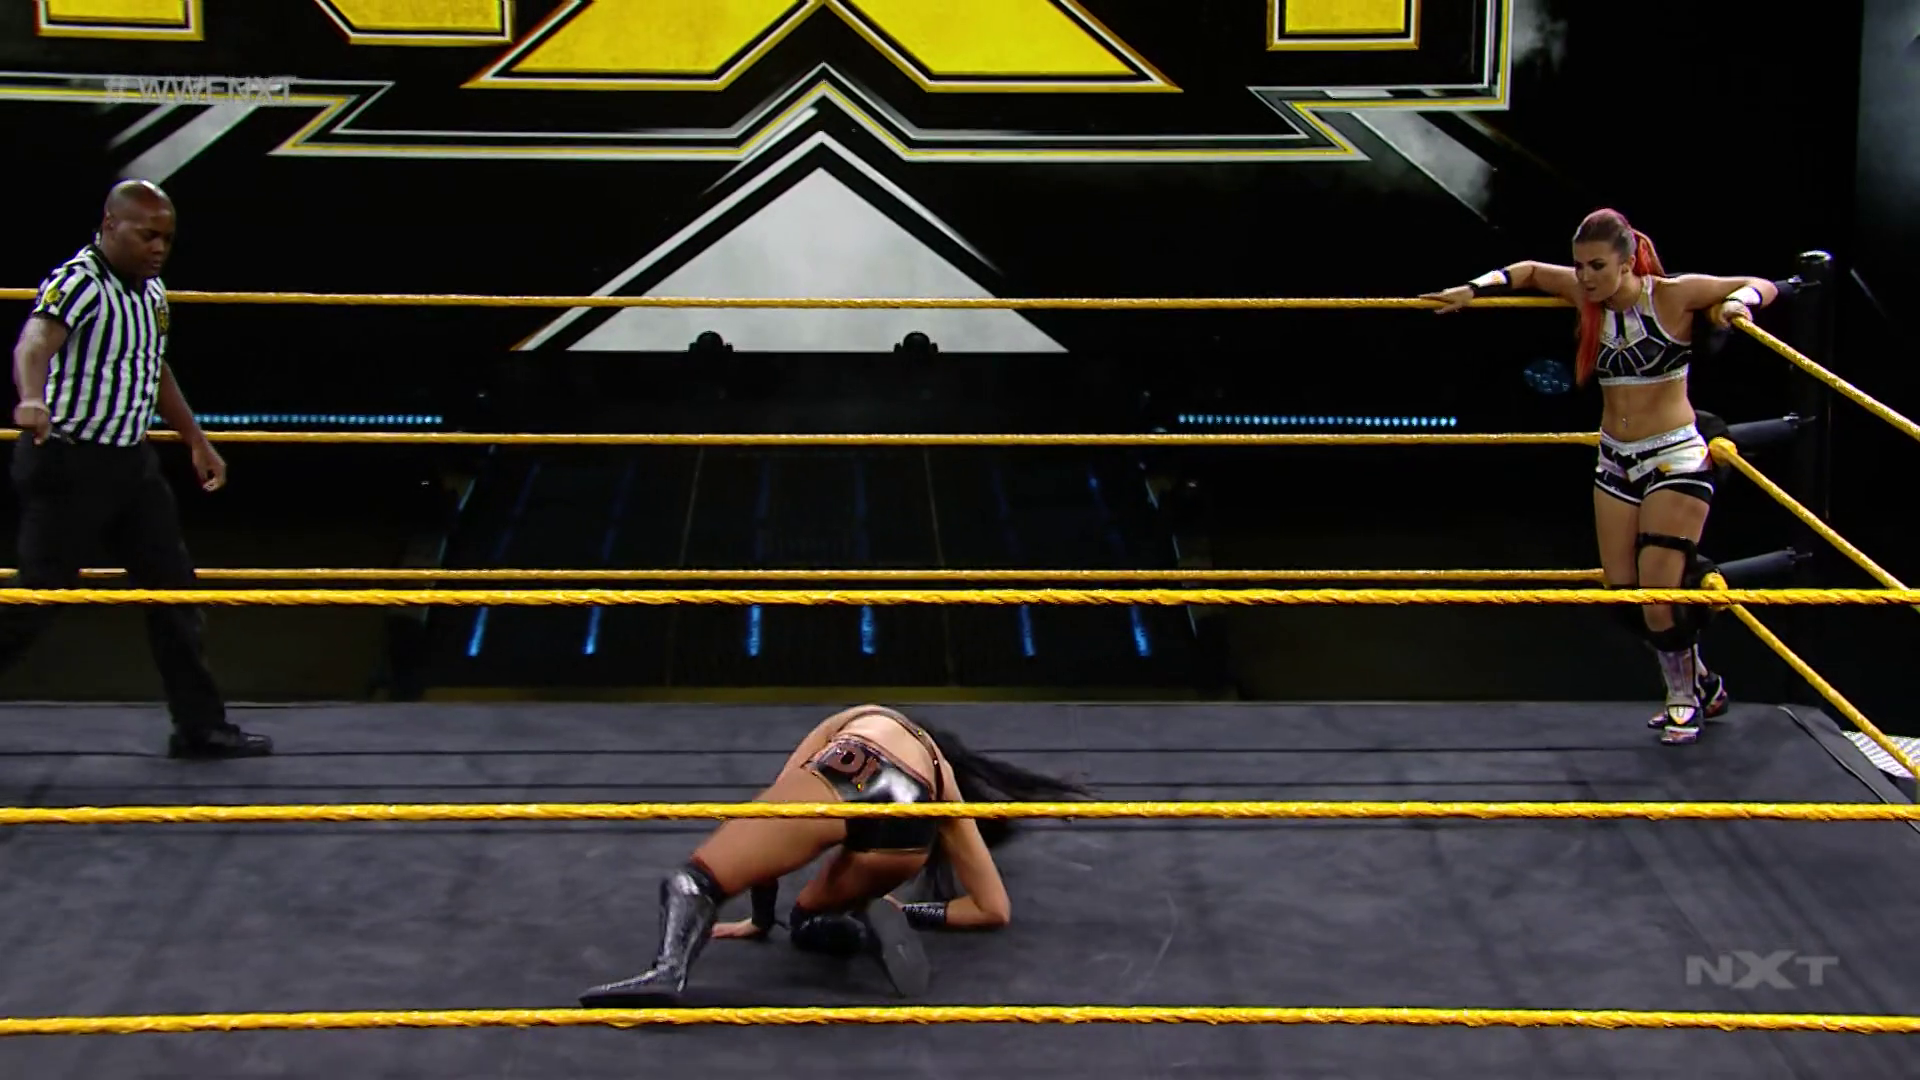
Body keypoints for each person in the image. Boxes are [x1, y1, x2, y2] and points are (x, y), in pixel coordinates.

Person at [1425, 208, 1788, 745]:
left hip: (1674, 458)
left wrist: (1740, 303)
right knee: (1623, 594)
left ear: (1626, 262)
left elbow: (1761, 283)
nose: (1585, 277)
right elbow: (1529, 271)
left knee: (1658, 592)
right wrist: (1475, 288)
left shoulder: (1672, 296)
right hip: (1616, 459)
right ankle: (1704, 682)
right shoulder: (1584, 296)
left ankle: (1682, 700)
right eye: (1579, 266)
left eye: (1597, 266)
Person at [2, 179, 271, 759]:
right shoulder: (80, 282)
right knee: (36, 603)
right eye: (148, 235)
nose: (158, 248)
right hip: (69, 460)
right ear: (110, 225)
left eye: (166, 239)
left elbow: (153, 367)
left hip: (132, 466)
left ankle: (200, 726)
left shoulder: (152, 293)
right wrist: (32, 397)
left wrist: (196, 440)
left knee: (175, 593)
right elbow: (34, 342)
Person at [579, 705, 1089, 1005]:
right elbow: (993, 910)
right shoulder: (942, 778)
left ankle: (668, 971)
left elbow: (769, 816)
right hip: (911, 823)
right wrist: (908, 910)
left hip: (859, 766)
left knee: (693, 883)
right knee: (807, 920)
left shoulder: (860, 719)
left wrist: (759, 920)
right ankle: (863, 923)